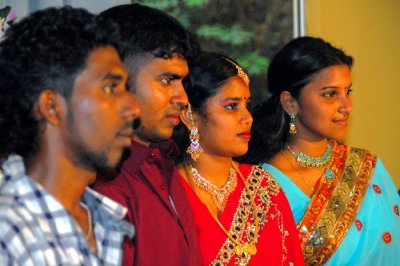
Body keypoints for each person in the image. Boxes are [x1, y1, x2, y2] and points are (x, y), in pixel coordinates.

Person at [0, 6, 141, 265]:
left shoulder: (103, 222)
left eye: (126, 88)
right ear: (52, 107)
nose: (133, 108)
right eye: (110, 88)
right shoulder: (10, 233)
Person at [241, 36, 400, 265]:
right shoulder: (260, 186)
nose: (346, 106)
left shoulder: (368, 168)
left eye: (348, 91)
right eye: (330, 94)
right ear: (290, 102)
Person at [92, 4, 202, 265]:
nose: (183, 98)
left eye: (182, 82)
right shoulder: (101, 183)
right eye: (167, 80)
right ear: (115, 81)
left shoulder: (162, 159)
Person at [172, 51, 305, 265]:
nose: (247, 118)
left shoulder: (264, 188)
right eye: (232, 106)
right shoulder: (169, 194)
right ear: (190, 116)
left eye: (247, 105)